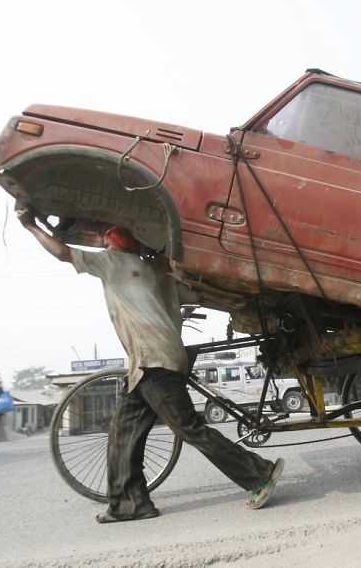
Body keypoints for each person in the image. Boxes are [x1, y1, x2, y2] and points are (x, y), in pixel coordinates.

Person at [17, 206, 284, 524]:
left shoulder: (114, 262)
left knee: (190, 429)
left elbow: (63, 253)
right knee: (122, 433)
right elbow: (192, 295)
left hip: (155, 362)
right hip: (146, 365)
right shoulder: (158, 269)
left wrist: (31, 225)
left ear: (111, 243)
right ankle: (130, 503)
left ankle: (260, 474)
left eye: (104, 239)